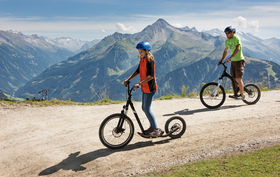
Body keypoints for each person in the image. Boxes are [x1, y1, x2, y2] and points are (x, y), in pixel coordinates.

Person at [124, 41, 164, 138]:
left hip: (150, 88)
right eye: (139, 51)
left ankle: (155, 129)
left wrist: (139, 83)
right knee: (144, 108)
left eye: (141, 51)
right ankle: (152, 127)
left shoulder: (150, 60)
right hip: (144, 87)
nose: (139, 53)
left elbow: (150, 76)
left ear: (147, 51)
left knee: (146, 108)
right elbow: (138, 71)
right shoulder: (142, 59)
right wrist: (128, 79)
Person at [218, 26, 245, 99]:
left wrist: (230, 57)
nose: (227, 34)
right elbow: (226, 51)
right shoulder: (227, 41)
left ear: (233, 33)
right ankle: (237, 94)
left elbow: (238, 48)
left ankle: (242, 95)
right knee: (233, 78)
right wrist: (221, 60)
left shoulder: (236, 38)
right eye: (226, 33)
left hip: (239, 60)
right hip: (233, 61)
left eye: (228, 33)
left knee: (238, 79)